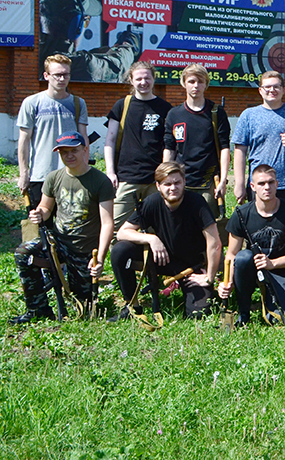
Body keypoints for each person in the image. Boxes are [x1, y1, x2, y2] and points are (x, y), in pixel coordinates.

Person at [10, 133, 114, 324]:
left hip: (84, 249)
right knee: (23, 253)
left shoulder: (100, 181)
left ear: (85, 150)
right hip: (58, 243)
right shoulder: (53, 177)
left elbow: (107, 223)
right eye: (64, 152)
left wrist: (99, 258)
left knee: (84, 308)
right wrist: (39, 213)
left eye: (74, 151)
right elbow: (46, 208)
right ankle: (38, 308)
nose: (69, 156)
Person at [111, 162, 222, 319]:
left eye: (177, 182)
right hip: (160, 260)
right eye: (167, 184)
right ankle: (132, 305)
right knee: (120, 251)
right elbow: (122, 233)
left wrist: (209, 277)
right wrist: (151, 238)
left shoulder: (197, 203)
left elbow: (214, 242)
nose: (173, 188)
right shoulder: (152, 202)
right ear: (158, 186)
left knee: (199, 314)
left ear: (184, 182)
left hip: (190, 267)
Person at [220, 164, 285, 326]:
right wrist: (227, 281)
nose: (267, 187)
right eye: (261, 184)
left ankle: (271, 301)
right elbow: (231, 254)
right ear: (252, 187)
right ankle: (243, 311)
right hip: (251, 268)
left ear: (277, 184)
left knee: (279, 320)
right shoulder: (241, 214)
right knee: (243, 257)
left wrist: (273, 264)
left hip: (281, 268)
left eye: (271, 182)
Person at [163, 64, 231, 238]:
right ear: (184, 83)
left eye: (200, 82)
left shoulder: (216, 113)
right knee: (180, 230)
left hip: (208, 183)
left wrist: (223, 180)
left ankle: (210, 265)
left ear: (206, 84)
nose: (195, 86)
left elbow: (224, 148)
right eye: (191, 81)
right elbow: (169, 148)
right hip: (181, 182)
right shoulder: (174, 114)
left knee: (210, 233)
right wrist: (165, 177)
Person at [103, 61, 173, 229]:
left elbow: (168, 144)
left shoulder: (165, 108)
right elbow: (110, 141)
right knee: (117, 229)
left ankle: (149, 257)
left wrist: (164, 174)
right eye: (139, 78)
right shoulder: (121, 106)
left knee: (156, 228)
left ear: (154, 79)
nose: (143, 82)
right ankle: (121, 256)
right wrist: (110, 172)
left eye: (147, 78)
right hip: (126, 178)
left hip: (154, 180)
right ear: (131, 80)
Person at [16, 54, 88, 216]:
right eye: (57, 75)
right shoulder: (32, 102)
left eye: (66, 74)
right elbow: (24, 140)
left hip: (70, 174)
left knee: (70, 225)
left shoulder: (77, 103)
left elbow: (84, 139)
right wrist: (24, 173)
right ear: (46, 76)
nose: (62, 79)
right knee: (40, 225)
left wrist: (84, 169)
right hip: (40, 174)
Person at [231, 70, 285, 206]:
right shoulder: (249, 115)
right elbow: (240, 150)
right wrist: (239, 184)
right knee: (259, 225)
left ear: (283, 90)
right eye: (267, 87)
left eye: (276, 86)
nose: (272, 90)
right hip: (259, 184)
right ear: (260, 90)